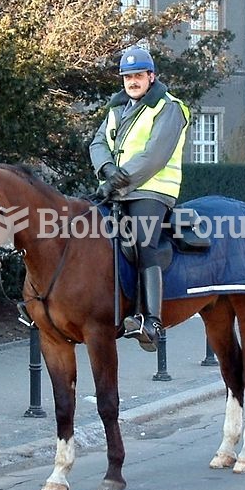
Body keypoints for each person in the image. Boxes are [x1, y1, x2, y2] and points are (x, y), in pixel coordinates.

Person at [89, 46, 190, 352]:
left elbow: (154, 156)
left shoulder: (169, 107)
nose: (132, 81)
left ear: (151, 76)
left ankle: (152, 321)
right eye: (127, 76)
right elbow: (97, 142)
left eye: (138, 75)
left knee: (145, 242)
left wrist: (116, 181)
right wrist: (106, 169)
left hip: (153, 190)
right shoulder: (117, 108)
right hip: (118, 188)